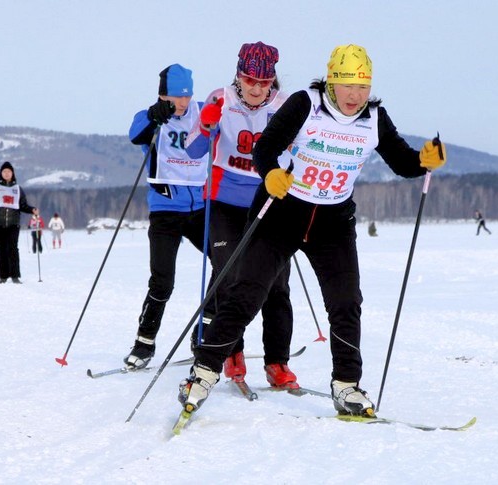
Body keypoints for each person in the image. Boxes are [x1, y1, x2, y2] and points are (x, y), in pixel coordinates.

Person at [179, 44, 447, 418]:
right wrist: (270, 172)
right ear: (332, 82)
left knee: (346, 302)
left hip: (332, 223)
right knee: (246, 293)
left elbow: (401, 161)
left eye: (363, 87)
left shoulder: (375, 118)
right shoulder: (306, 103)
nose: (355, 96)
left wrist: (422, 161)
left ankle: (347, 386)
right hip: (283, 212)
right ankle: (203, 372)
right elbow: (266, 147)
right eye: (347, 86)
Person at [183, 42, 298, 389]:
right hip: (225, 201)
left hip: (269, 201)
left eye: (264, 82)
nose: (257, 88)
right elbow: (193, 150)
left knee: (276, 283)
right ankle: (232, 351)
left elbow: (300, 150)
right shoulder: (220, 99)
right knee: (229, 273)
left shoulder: (283, 105)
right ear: (239, 75)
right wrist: (205, 126)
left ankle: (277, 362)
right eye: (250, 80)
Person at [123, 63, 216, 370]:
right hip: (165, 211)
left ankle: (203, 332)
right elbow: (134, 134)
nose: (184, 103)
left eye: (187, 97)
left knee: (226, 263)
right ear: (164, 95)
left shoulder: (201, 111)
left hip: (200, 208)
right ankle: (144, 343)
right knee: (162, 281)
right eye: (177, 97)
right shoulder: (151, 116)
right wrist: (153, 116)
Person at [0, 161, 38, 283]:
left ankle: (15, 275)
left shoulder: (18, 189)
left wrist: (32, 210)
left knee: (13, 249)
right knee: (1, 249)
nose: (7, 173)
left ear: (12, 173)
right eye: (4, 171)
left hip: (13, 223)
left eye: (9, 171)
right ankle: (3, 276)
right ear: (1, 173)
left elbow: (23, 206)